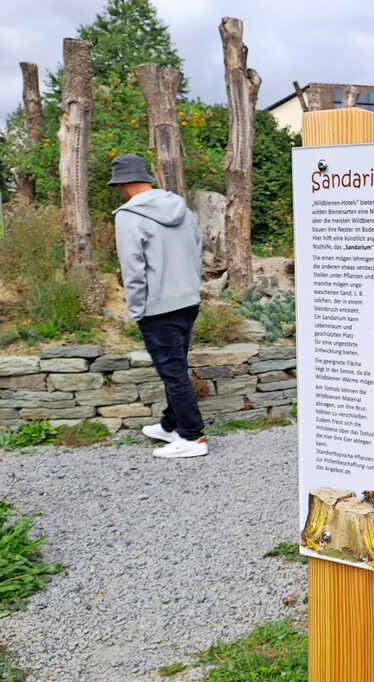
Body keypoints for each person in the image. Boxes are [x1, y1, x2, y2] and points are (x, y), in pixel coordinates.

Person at [108, 153, 208, 458]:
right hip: (188, 300)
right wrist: (191, 289)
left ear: (123, 184)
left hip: (157, 307)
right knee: (176, 367)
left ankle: (192, 437)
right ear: (146, 178)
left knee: (173, 372)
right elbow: (198, 249)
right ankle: (169, 425)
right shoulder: (182, 208)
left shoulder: (128, 215)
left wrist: (136, 309)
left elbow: (132, 268)